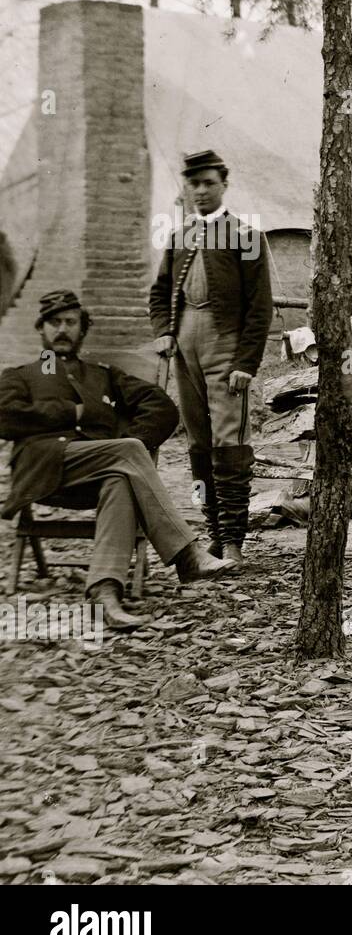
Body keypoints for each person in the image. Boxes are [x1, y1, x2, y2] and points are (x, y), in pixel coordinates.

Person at [0, 291, 232, 627]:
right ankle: (186, 555)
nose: (62, 329)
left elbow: (161, 407)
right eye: (54, 323)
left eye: (70, 322)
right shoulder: (20, 375)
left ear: (82, 330)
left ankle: (105, 596)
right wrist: (71, 411)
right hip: (42, 468)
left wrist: (132, 441)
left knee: (121, 479)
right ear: (41, 329)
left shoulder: (103, 375)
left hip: (96, 473)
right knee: (128, 454)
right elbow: (5, 418)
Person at [149, 150, 273, 571]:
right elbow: (159, 292)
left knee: (230, 443)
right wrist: (164, 330)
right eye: (194, 184)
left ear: (224, 184)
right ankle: (214, 536)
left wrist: (246, 363)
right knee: (198, 445)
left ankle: (235, 540)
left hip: (226, 348)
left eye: (208, 183)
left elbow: (260, 309)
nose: (200, 191)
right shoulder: (179, 237)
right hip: (185, 349)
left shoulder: (246, 236)